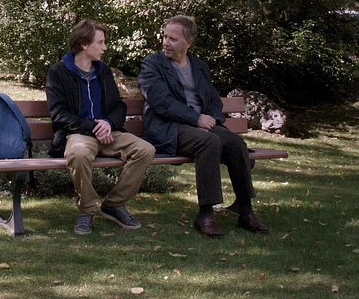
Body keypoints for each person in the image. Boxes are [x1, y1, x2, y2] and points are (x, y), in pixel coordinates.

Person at [138, 15, 268, 237]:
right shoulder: (153, 64)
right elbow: (161, 102)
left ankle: (245, 208)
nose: (166, 42)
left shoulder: (199, 66)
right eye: (165, 36)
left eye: (173, 39)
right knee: (208, 142)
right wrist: (196, 119)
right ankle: (206, 214)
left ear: (188, 42)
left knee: (235, 143)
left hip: (201, 127)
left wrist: (212, 120)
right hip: (169, 128)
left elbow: (214, 101)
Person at [46, 19, 155, 235]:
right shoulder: (58, 72)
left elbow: (118, 106)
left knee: (145, 150)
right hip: (78, 133)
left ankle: (114, 204)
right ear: (84, 44)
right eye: (100, 42)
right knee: (78, 154)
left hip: (109, 132)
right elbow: (58, 114)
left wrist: (108, 123)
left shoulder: (103, 71)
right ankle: (87, 210)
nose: (104, 47)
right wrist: (93, 127)